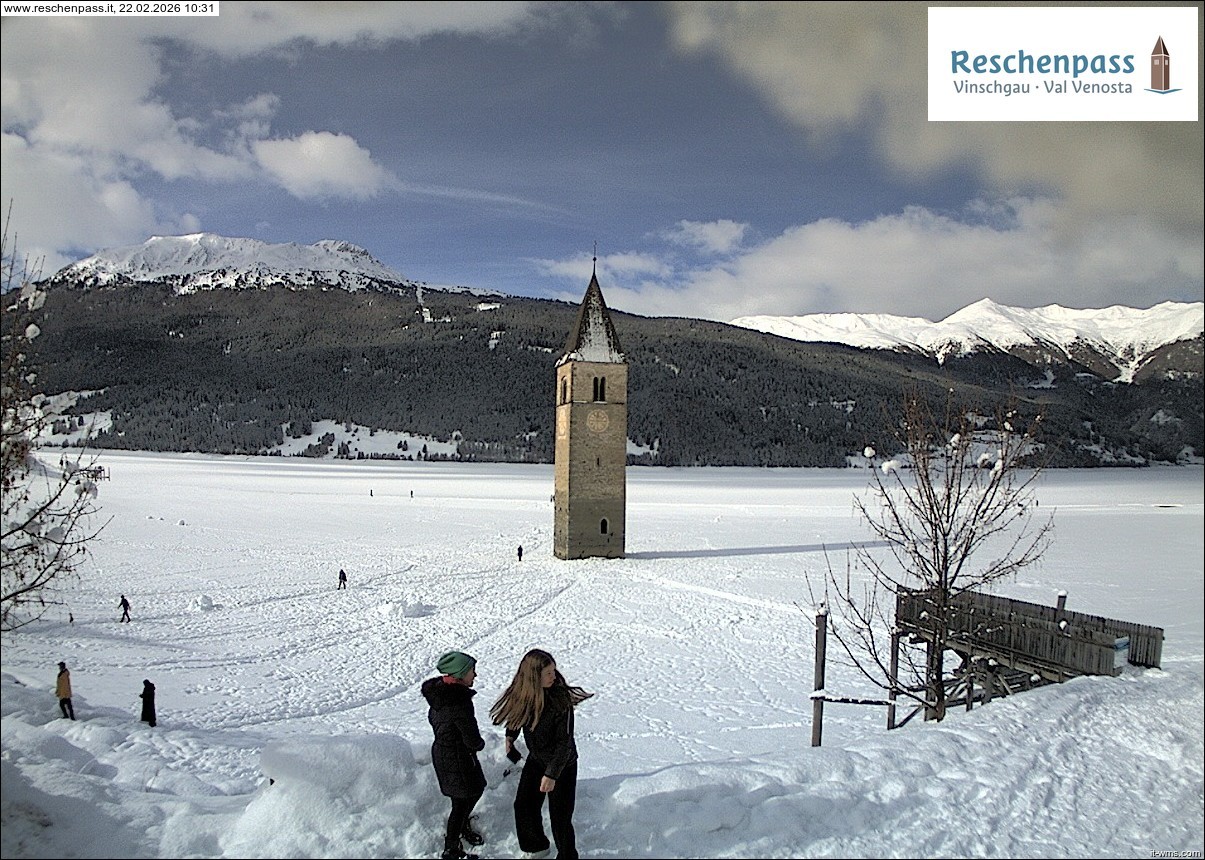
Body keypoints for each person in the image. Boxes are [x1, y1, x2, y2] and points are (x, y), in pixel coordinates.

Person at [490, 649, 593, 860]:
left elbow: (564, 744)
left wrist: (552, 775)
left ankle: (567, 856)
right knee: (524, 806)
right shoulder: (525, 695)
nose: (553, 676)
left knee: (560, 818)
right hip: (537, 759)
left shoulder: (560, 701)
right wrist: (510, 736)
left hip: (562, 765)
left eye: (553, 671)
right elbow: (517, 714)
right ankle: (537, 847)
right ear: (533, 677)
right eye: (548, 673)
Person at [422, 651, 488, 860]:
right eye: (471, 672)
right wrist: (478, 744)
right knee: (463, 800)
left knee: (467, 794)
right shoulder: (458, 703)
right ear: (459, 675)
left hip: (445, 755)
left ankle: (461, 826)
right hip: (457, 758)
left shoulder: (440, 696)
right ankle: (451, 848)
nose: (475, 675)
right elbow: (470, 735)